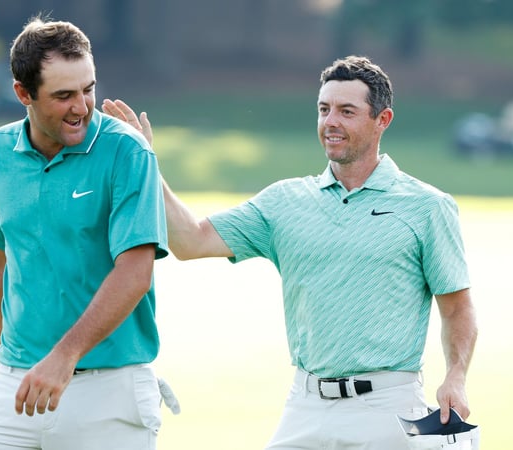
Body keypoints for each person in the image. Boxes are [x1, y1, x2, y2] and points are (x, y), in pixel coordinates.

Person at [103, 55, 477, 449]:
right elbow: (191, 241)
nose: (331, 121)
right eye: (324, 109)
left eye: (347, 111)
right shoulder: (284, 201)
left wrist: (456, 376)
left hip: (387, 407)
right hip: (305, 405)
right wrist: (147, 162)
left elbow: (457, 307)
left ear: (382, 120)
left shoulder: (427, 207)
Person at [0, 16, 178, 450]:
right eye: (63, 95)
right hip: (13, 385)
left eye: (88, 89)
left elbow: (135, 272)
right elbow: (5, 262)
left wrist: (63, 357)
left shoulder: (129, 152)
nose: (82, 106)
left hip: (108, 393)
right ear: (23, 93)